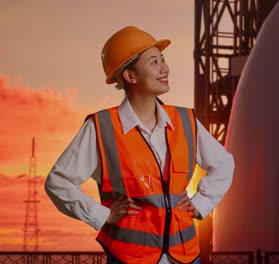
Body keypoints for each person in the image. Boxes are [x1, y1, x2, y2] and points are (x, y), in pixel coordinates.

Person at [45, 26, 235, 264]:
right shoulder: (102, 127)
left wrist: (202, 202)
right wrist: (101, 215)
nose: (165, 68)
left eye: (163, 60)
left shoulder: (185, 121)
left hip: (185, 256)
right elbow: (58, 182)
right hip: (129, 258)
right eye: (154, 62)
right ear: (130, 76)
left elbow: (224, 163)